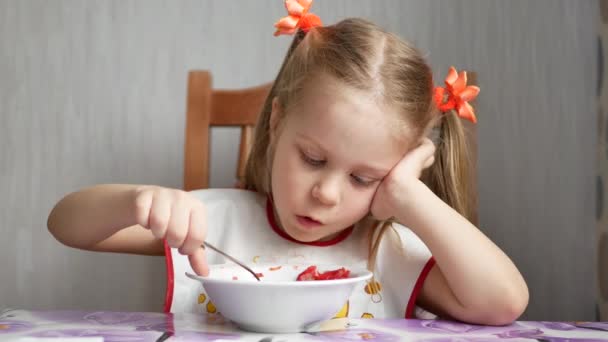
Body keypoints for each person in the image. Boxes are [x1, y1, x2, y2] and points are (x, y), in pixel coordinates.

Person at [47, 0, 528, 325]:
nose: (327, 193)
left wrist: (408, 194)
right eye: (313, 158)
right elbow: (65, 225)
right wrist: (134, 201)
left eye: (365, 178)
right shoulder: (214, 224)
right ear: (276, 123)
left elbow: (505, 303)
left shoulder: (389, 250)